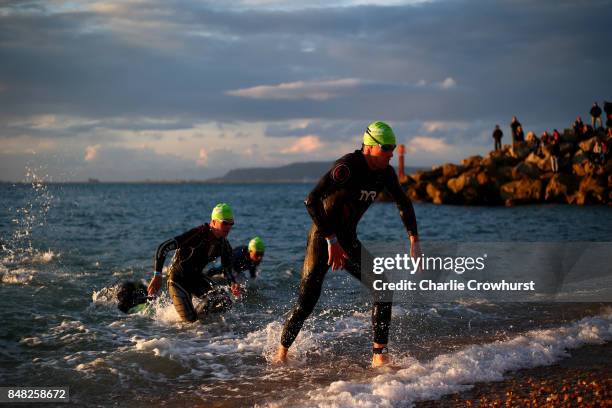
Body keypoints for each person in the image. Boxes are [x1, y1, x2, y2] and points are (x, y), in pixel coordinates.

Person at [275, 121, 420, 368]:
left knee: (383, 288)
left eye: (393, 147)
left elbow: (403, 202)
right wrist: (331, 240)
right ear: (370, 147)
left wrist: (414, 240)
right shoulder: (347, 168)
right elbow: (311, 200)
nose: (391, 152)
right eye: (386, 147)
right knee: (306, 301)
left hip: (348, 239)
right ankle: (281, 355)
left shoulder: (385, 172)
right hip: (323, 238)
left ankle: (379, 356)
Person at [147, 203, 240, 322]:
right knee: (190, 322)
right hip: (177, 279)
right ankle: (193, 327)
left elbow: (227, 269)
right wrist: (157, 275)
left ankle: (205, 328)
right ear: (214, 221)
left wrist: (233, 283)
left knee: (224, 300)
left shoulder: (224, 245)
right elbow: (163, 247)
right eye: (225, 223)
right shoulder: (198, 233)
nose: (228, 227)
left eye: (231, 223)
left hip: (196, 278)